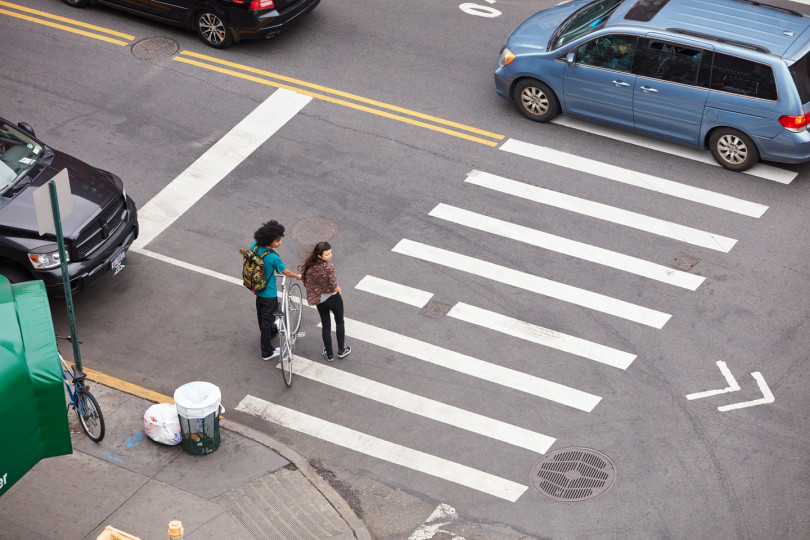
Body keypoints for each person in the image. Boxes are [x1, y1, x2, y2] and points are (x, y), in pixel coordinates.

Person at [251, 220, 301, 361]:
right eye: (278, 240)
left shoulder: (255, 246)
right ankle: (267, 351)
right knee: (268, 320)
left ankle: (271, 331)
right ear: (270, 241)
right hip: (269, 292)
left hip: (257, 289)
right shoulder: (273, 257)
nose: (280, 243)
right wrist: (297, 276)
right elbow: (286, 271)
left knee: (262, 315)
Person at [299, 241, 350, 362]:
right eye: (327, 254)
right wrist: (339, 289)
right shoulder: (328, 267)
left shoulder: (309, 268)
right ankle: (341, 350)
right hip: (333, 298)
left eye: (330, 253)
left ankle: (329, 354)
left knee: (326, 326)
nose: (330, 256)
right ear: (319, 256)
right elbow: (333, 285)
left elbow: (308, 283)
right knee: (339, 322)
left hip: (320, 301)